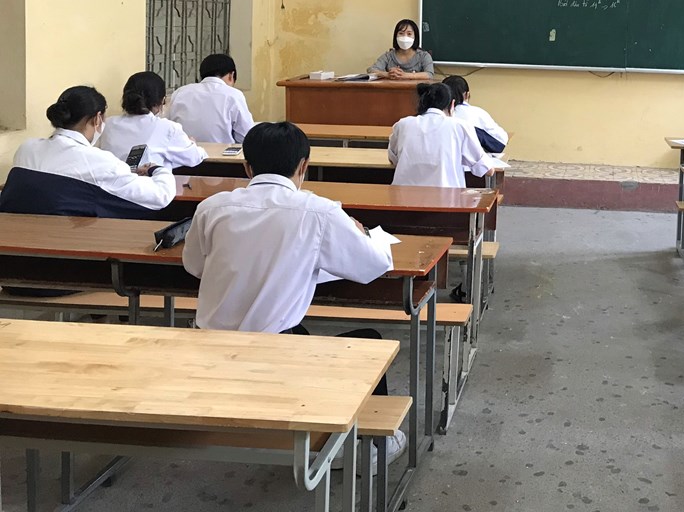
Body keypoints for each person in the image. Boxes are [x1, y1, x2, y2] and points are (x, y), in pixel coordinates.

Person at [183, 121, 405, 464]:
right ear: (304, 166)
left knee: (297, 331)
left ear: (247, 167)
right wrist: (362, 234)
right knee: (369, 342)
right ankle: (371, 453)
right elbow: (373, 265)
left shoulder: (212, 207)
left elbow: (194, 265)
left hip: (210, 348)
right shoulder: (319, 211)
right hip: (273, 358)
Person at [0, 85, 176, 219]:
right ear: (97, 119)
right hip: (69, 249)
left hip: (14, 245)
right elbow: (160, 196)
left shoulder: (26, 148)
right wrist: (156, 169)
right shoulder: (99, 162)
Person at [388, 83, 495, 186]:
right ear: (452, 104)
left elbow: (393, 160)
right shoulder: (459, 126)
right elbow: (487, 170)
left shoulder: (402, 124)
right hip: (446, 196)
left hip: (404, 195)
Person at [99, 71, 208, 170]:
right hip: (149, 184)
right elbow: (194, 158)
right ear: (161, 101)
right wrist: (192, 144)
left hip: (109, 184)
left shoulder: (107, 124)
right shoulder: (167, 128)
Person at [166, 53, 254, 144]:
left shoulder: (180, 92)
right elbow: (246, 136)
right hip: (220, 152)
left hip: (183, 151)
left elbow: (168, 126)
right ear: (231, 76)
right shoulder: (234, 95)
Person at [442, 75, 508, 153]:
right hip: (474, 158)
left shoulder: (436, 115)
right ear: (467, 95)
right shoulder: (477, 113)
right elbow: (502, 141)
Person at [367, 18, 434, 80]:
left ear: (415, 36)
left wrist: (405, 75)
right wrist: (388, 74)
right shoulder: (388, 56)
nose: (405, 37)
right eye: (401, 33)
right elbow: (371, 70)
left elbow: (429, 74)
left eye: (409, 34)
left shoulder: (424, 56)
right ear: (396, 36)